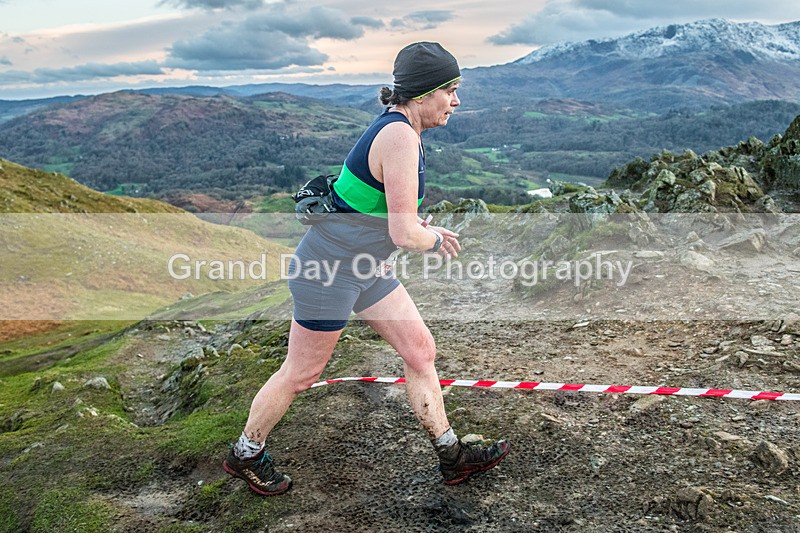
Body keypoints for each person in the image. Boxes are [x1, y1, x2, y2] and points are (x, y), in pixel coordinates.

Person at [223, 42, 510, 496]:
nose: (456, 101)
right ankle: (245, 454)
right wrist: (431, 237)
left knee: (420, 352)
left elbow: (385, 216)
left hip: (365, 268)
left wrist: (412, 225)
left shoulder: (404, 132)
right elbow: (402, 235)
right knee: (300, 374)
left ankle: (451, 456)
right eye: (450, 90)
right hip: (327, 272)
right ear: (423, 92)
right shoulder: (398, 136)